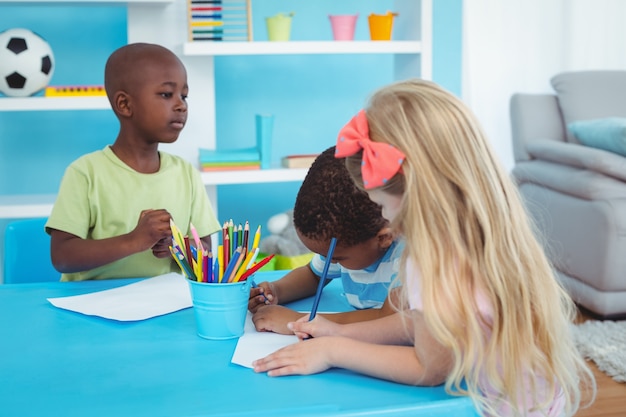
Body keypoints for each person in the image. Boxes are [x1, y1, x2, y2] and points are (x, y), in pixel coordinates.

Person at [252, 79, 595, 417]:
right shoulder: (487, 230)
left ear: (417, 190)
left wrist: (333, 350)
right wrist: (341, 330)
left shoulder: (433, 261)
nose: (384, 216)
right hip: (538, 400)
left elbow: (429, 367)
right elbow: (425, 324)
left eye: (383, 203)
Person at [45, 43, 220, 281]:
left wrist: (176, 248)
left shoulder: (186, 174)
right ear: (125, 105)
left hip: (164, 303)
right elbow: (62, 257)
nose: (181, 105)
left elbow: (206, 252)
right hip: (93, 302)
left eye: (184, 95)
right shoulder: (85, 173)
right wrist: (134, 241)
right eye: (167, 94)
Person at [249, 146, 403, 335]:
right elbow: (313, 275)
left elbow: (388, 319)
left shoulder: (408, 254)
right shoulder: (343, 244)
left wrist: (299, 321)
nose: (330, 261)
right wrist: (277, 290)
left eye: (337, 258)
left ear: (384, 238)